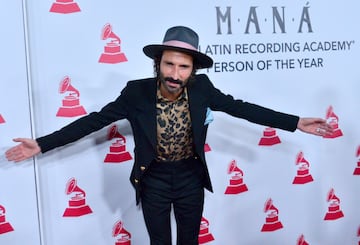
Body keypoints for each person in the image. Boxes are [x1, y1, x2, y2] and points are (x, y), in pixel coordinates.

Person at [5, 26, 333, 245]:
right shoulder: (136, 94)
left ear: (194, 70)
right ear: (158, 63)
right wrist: (43, 143)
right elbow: (94, 121)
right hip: (154, 179)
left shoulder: (203, 89)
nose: (175, 74)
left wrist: (295, 122)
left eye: (184, 67)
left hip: (190, 176)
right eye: (169, 65)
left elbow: (242, 108)